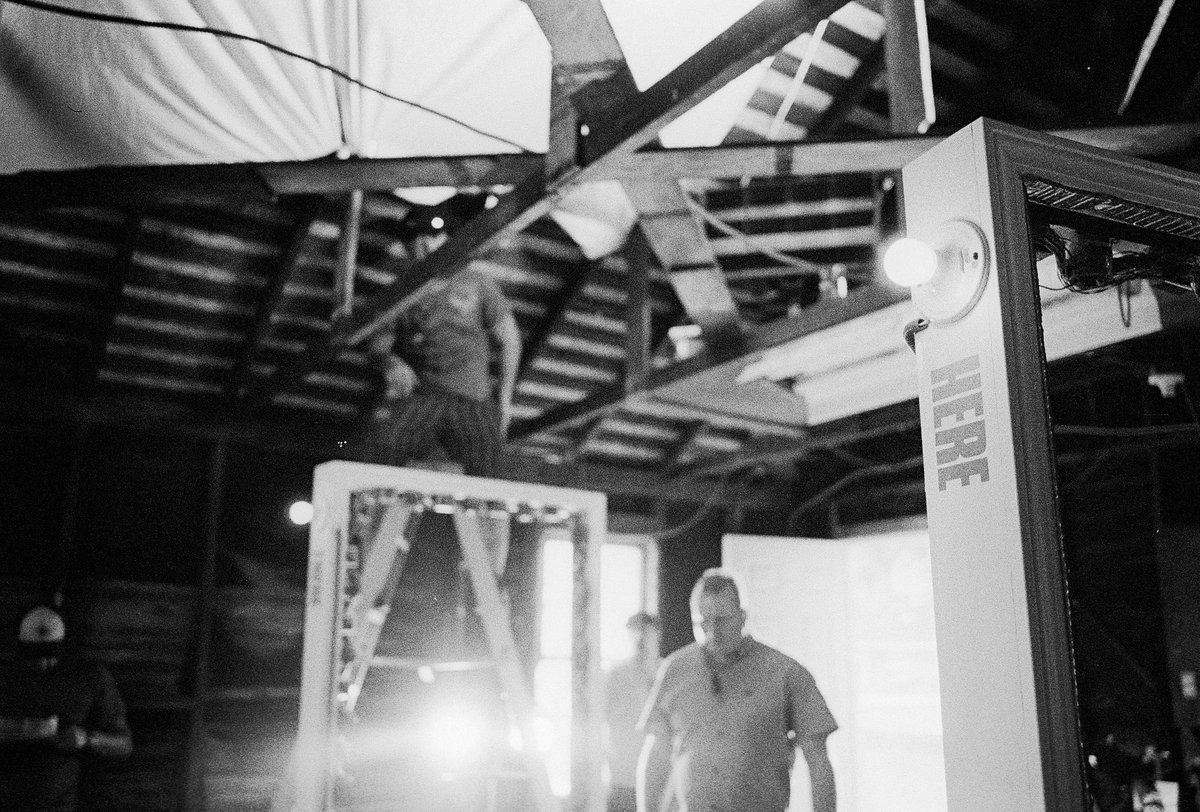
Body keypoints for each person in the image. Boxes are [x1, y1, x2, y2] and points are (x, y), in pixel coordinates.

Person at [636, 569, 837, 812]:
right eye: (703, 622)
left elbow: (818, 760)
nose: (713, 633)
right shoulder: (676, 670)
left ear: (742, 617)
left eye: (722, 620)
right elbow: (657, 754)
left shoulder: (785, 673)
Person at [370, 265, 521, 478]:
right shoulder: (403, 288)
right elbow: (377, 348)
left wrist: (505, 402)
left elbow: (510, 340)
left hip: (474, 400)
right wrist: (391, 363)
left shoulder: (477, 281)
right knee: (383, 451)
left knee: (488, 473)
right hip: (423, 395)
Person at [0, 605, 133, 811]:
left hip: (62, 802)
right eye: (33, 656)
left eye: (51, 655)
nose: (43, 663)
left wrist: (87, 738)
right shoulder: (5, 676)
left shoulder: (91, 677)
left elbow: (124, 744)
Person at [604, 611, 662, 812]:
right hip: (623, 777)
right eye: (635, 634)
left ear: (657, 635)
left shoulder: (668, 673)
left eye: (646, 634)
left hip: (659, 776)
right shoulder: (616, 676)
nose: (640, 641)